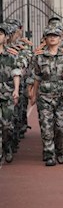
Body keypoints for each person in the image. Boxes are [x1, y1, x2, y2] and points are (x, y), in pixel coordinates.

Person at [30, 25, 63, 166]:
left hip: (62, 95)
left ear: (60, 39)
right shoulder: (39, 57)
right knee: (46, 126)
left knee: (61, 127)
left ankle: (60, 150)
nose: (52, 38)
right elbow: (37, 76)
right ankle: (49, 153)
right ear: (45, 39)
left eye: (55, 36)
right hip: (44, 95)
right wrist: (33, 93)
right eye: (50, 36)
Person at [0, 24, 21, 163]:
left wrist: (16, 90)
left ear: (6, 37)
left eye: (1, 34)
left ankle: (7, 146)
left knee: (7, 125)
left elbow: (16, 73)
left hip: (7, 92)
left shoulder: (11, 54)